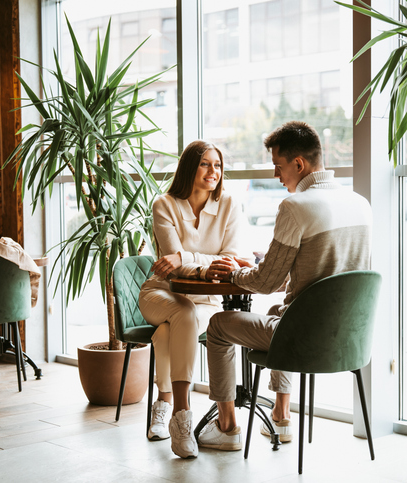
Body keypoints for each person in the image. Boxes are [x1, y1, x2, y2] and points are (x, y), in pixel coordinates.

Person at [197, 121, 372, 451]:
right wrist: (274, 261)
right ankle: (281, 416)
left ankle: (228, 426)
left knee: (218, 325)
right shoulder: (360, 203)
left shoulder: (295, 207)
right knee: (280, 310)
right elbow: (325, 272)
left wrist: (235, 273)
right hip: (351, 337)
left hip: (305, 337)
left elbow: (265, 282)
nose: (277, 177)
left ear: (299, 164)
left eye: (278, 167)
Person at [138, 140, 246, 459]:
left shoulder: (229, 204)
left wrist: (185, 255)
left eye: (218, 165)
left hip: (206, 301)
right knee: (182, 312)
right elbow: (171, 270)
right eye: (205, 164)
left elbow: (228, 258)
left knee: (170, 330)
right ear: (190, 168)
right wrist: (200, 263)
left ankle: (166, 403)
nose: (213, 171)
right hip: (160, 293)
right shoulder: (164, 204)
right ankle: (182, 415)